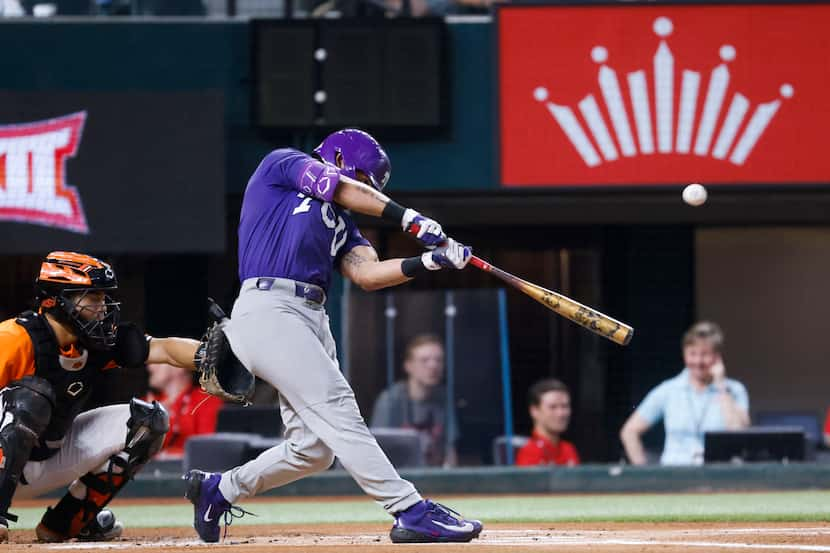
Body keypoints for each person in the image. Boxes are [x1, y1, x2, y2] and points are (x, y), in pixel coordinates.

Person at [183, 129, 483, 544]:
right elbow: (339, 186)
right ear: (339, 158)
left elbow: (366, 274)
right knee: (338, 407)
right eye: (362, 180)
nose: (363, 190)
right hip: (269, 307)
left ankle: (221, 489)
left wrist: (430, 261)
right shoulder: (282, 165)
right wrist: (409, 218)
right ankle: (409, 510)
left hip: (311, 316)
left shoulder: (342, 225)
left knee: (313, 451)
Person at [0, 252, 202, 543]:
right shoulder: (14, 339)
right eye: (91, 297)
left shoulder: (94, 342)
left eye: (103, 297)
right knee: (32, 396)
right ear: (53, 301)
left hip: (39, 461)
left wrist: (209, 357)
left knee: (147, 422)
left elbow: (165, 349)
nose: (102, 306)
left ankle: (66, 522)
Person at [620, 321, 750, 466]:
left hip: (719, 476)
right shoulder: (668, 390)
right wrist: (644, 472)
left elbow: (739, 433)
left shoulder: (735, 390)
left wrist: (721, 385)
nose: (698, 361)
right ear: (684, 354)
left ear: (717, 357)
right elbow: (629, 431)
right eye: (692, 354)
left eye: (705, 354)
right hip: (674, 477)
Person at [371, 334, 459, 467]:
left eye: (438, 360)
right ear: (408, 366)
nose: (433, 366)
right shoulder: (391, 400)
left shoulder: (444, 398)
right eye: (424, 360)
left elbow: (450, 450)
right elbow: (377, 450)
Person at [145, 363, 224, 457]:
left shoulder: (205, 401)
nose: (150, 366)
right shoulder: (148, 404)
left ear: (179, 366)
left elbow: (207, 450)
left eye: (159, 360)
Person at [515, 379, 580, 467]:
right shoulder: (530, 452)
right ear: (534, 411)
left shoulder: (568, 449)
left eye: (565, 406)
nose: (560, 413)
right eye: (552, 407)